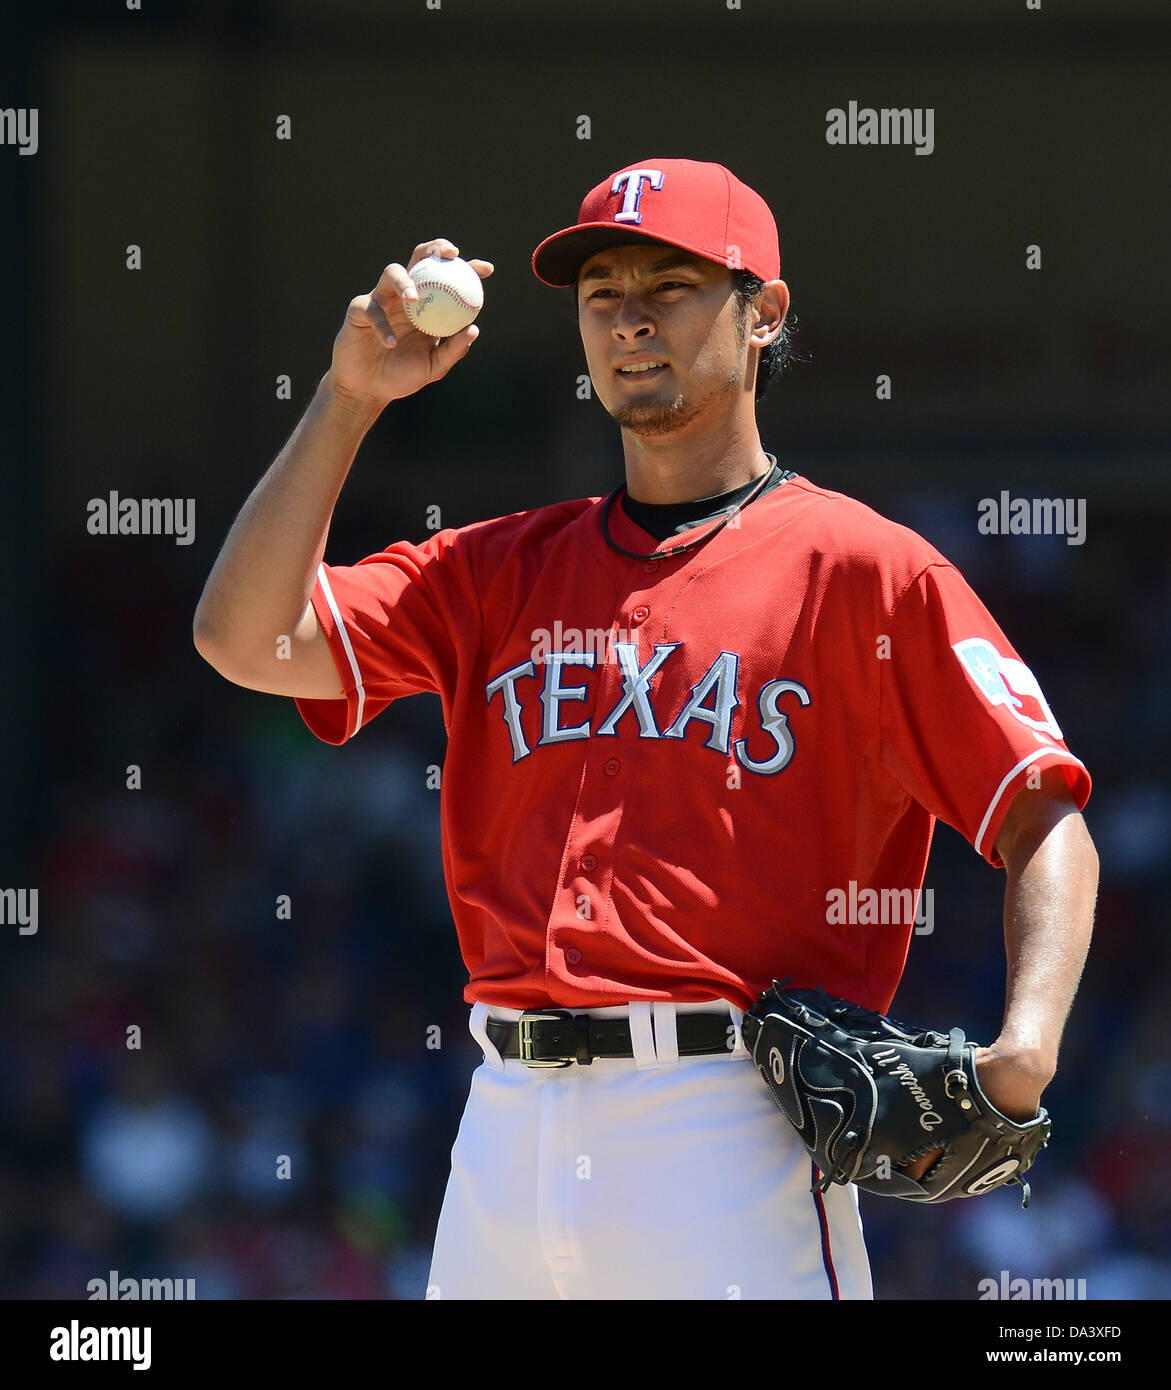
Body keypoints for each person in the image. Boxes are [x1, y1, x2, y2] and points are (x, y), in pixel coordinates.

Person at [193, 157, 1099, 1300]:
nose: (627, 318)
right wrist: (350, 397)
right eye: (600, 290)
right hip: (504, 1124)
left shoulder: (861, 570)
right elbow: (241, 637)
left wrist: (1026, 1045)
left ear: (762, 312)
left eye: (668, 284)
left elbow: (1041, 810)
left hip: (728, 1122)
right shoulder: (493, 567)